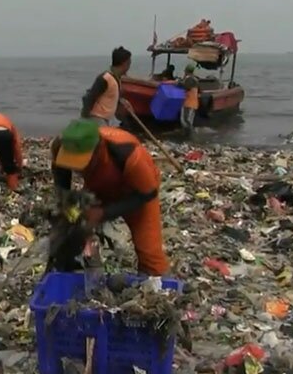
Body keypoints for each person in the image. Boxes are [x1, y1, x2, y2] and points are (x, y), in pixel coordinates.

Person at [50, 118, 170, 275]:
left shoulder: (129, 154)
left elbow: (147, 194)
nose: (77, 169)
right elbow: (61, 174)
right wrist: (66, 202)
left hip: (135, 192)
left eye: (81, 163)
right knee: (76, 231)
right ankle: (74, 272)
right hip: (98, 188)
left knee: (148, 249)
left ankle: (157, 284)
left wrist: (104, 213)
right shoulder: (60, 147)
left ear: (98, 149)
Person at [80, 46, 132, 126]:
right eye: (129, 62)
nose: (129, 66)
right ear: (125, 63)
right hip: (96, 119)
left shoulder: (117, 79)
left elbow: (109, 96)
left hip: (106, 119)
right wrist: (83, 120)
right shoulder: (105, 78)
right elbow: (90, 97)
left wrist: (122, 101)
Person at [178, 63, 199, 138]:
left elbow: (184, 86)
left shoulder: (190, 79)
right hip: (193, 103)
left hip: (189, 103)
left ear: (187, 71)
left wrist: (178, 82)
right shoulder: (195, 79)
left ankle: (188, 137)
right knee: (188, 120)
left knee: (185, 121)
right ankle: (188, 136)